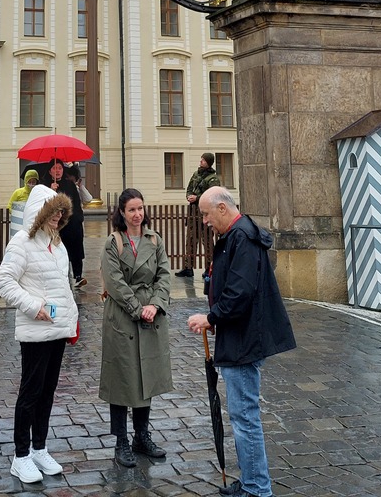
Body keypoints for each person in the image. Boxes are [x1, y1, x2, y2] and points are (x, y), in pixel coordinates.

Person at [187, 188, 296, 497]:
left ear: (223, 208)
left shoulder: (241, 238)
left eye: (207, 214)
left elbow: (240, 292)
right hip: (240, 334)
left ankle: (257, 489)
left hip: (243, 337)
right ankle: (251, 481)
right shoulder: (236, 235)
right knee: (242, 414)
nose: (205, 221)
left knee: (244, 415)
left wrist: (211, 317)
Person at [0, 192, 78, 485]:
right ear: (39, 213)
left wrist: (72, 319)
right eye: (52, 212)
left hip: (56, 329)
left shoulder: (56, 241)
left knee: (48, 391)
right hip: (35, 329)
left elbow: (63, 286)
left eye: (60, 213)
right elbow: (4, 281)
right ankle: (20, 456)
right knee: (30, 392)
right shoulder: (22, 242)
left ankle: (40, 448)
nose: (57, 217)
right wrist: (33, 306)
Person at [99, 189, 173, 467]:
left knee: (145, 377)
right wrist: (137, 308)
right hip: (122, 317)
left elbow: (164, 275)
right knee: (122, 378)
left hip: (151, 316)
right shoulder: (113, 242)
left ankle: (142, 436)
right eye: (131, 209)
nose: (137, 214)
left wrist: (155, 304)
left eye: (140, 208)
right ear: (121, 212)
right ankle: (121, 441)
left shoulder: (154, 240)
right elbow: (115, 282)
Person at [177, 152, 219, 277]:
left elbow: (213, 195)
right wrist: (189, 196)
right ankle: (188, 267)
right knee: (190, 239)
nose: (200, 161)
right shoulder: (196, 174)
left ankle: (208, 268)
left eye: (203, 160)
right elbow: (189, 188)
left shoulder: (213, 179)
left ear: (208, 162)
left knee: (207, 241)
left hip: (205, 214)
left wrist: (197, 198)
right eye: (201, 159)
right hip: (193, 213)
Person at [58, 162, 87, 288]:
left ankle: (78, 275)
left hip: (74, 223)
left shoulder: (72, 186)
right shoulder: (51, 184)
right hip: (61, 224)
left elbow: (86, 199)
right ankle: (65, 275)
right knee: (62, 251)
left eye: (60, 168)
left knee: (76, 251)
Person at [8, 170, 40, 240]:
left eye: (33, 182)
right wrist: (16, 214)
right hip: (19, 222)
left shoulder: (38, 194)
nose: (31, 184)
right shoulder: (18, 192)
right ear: (25, 181)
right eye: (29, 181)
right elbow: (10, 206)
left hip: (32, 222)